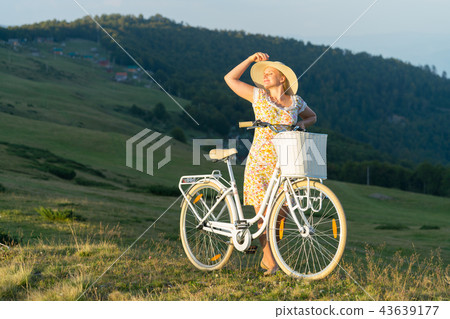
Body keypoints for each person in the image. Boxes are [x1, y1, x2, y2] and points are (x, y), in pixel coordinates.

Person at [224, 52, 317, 275]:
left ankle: (269, 256)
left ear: (282, 78)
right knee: (264, 216)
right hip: (260, 163)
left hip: (286, 163)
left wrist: (302, 125)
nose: (264, 76)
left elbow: (312, 116)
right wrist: (248, 60)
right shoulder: (259, 96)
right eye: (263, 73)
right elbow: (230, 79)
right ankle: (270, 261)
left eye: (269, 73)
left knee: (280, 214)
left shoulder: (296, 102)